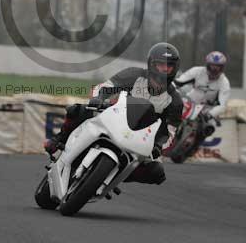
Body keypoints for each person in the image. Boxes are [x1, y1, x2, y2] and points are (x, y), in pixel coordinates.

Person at [44, 42, 183, 185]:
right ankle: (59, 139)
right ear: (152, 64)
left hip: (139, 139)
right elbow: (107, 86)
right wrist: (98, 98)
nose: (164, 69)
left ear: (175, 68)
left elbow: (170, 132)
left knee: (157, 172)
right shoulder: (134, 75)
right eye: (161, 64)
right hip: (112, 117)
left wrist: (158, 146)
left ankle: (117, 175)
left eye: (169, 66)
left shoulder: (175, 101)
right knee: (77, 110)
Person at [174, 51, 230, 118]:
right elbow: (178, 82)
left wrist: (210, 114)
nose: (214, 69)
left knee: (208, 127)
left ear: (222, 68)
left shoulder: (224, 82)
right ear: (208, 65)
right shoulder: (196, 71)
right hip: (189, 104)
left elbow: (222, 105)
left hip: (207, 110)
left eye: (218, 66)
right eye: (212, 65)